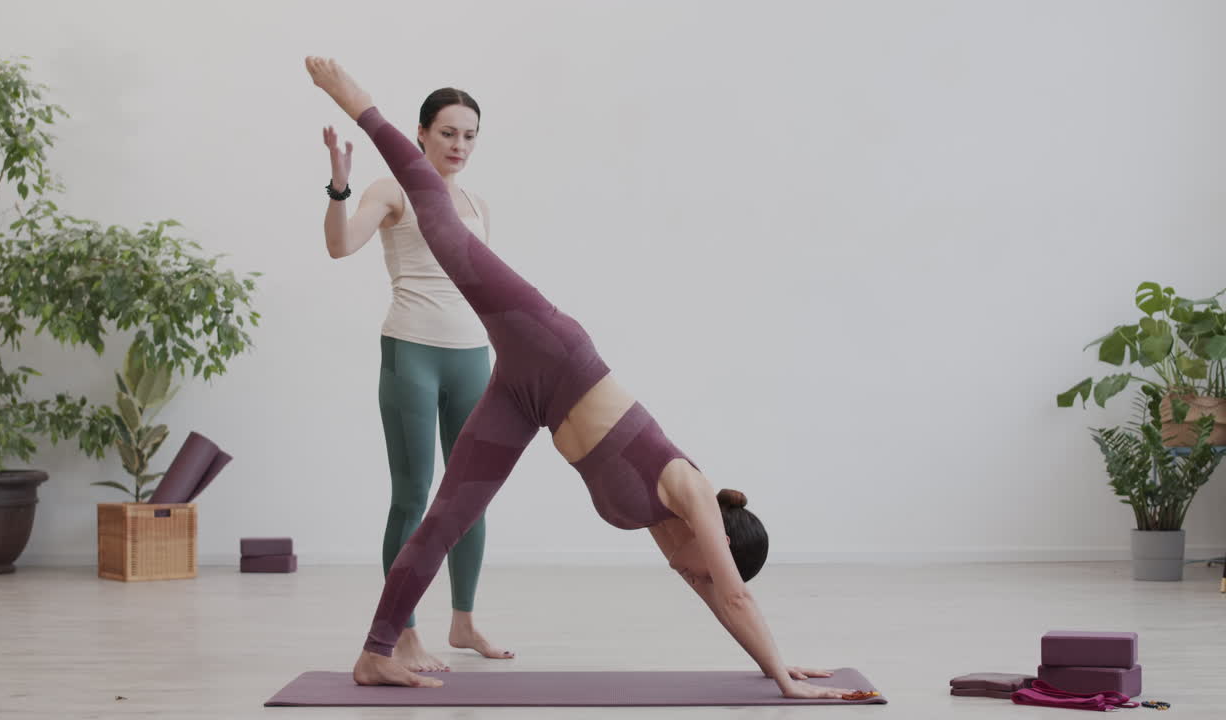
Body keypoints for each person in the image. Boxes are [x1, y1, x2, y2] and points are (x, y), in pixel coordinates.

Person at [305, 55, 865, 700]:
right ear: (716, 548)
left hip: (526, 397)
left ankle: (376, 653)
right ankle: (359, 101)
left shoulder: (672, 531)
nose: (701, 579)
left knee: (447, 517)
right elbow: (734, 594)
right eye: (708, 572)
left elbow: (723, 600)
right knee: (442, 227)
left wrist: (778, 667)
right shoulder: (691, 494)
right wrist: (791, 685)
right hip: (550, 347)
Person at [321, 87, 512, 671]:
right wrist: (338, 185)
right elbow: (339, 246)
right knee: (412, 496)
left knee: (470, 498)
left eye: (470, 135)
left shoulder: (479, 206)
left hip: (472, 357)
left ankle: (464, 622)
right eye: (449, 132)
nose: (460, 145)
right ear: (422, 133)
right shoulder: (392, 191)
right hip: (411, 351)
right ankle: (400, 633)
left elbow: (486, 289)